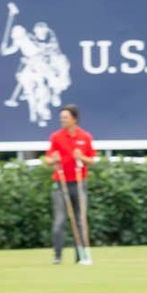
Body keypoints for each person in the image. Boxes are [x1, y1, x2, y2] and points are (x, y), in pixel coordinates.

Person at [42, 104, 97, 265]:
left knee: (80, 219)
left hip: (79, 183)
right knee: (60, 220)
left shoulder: (85, 137)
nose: (62, 120)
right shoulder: (56, 137)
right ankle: (57, 255)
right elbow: (47, 160)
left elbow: (91, 160)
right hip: (60, 182)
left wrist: (81, 157)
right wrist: (54, 160)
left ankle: (81, 256)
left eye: (65, 117)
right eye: (61, 118)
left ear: (74, 119)